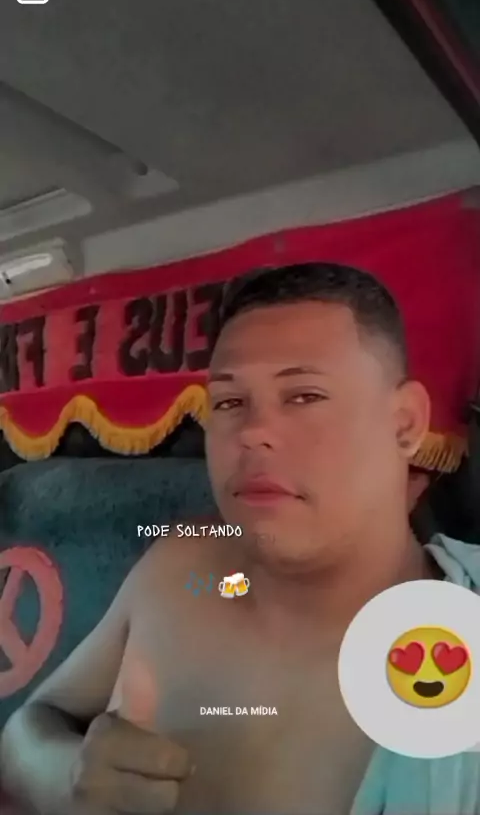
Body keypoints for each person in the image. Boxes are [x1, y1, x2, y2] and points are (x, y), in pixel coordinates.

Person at [1, 262, 479, 815]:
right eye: (229, 402)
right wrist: (63, 775)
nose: (253, 432)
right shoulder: (179, 569)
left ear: (404, 424)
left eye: (303, 396)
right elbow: (28, 726)